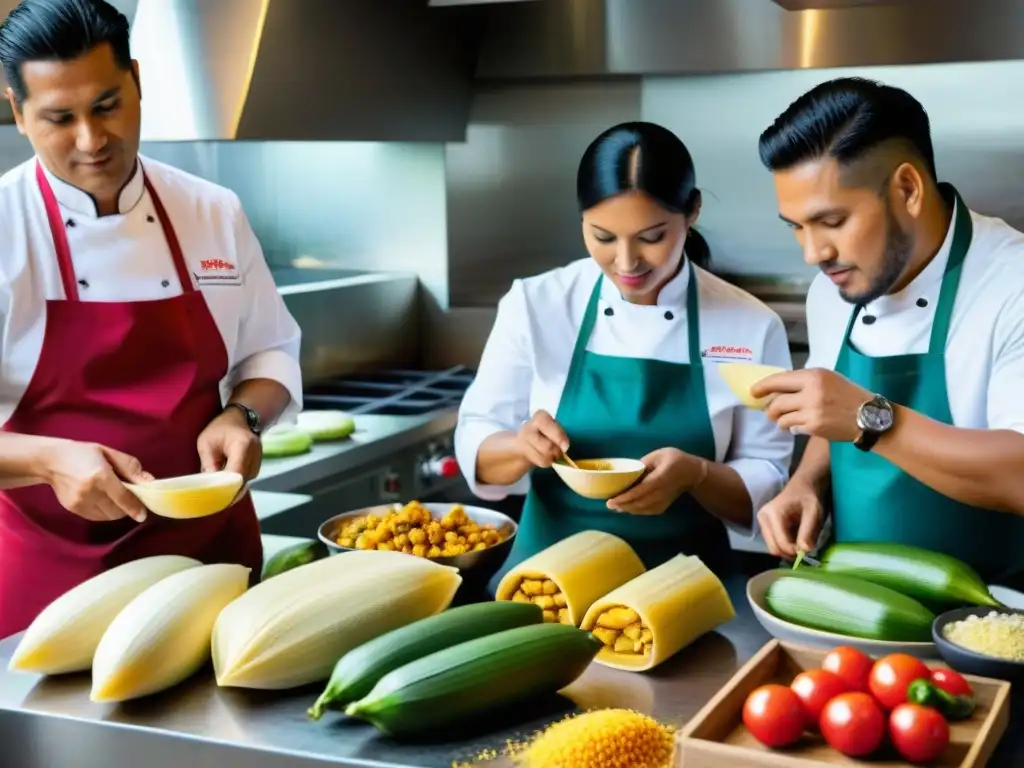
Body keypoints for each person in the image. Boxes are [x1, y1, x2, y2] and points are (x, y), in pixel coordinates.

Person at [0, 0, 302, 637]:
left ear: (136, 80)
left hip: (211, 562)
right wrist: (49, 460)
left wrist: (244, 414)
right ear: (17, 111)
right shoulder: (5, 229)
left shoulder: (211, 210)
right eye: (60, 118)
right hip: (53, 585)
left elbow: (270, 351)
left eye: (107, 105)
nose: (92, 140)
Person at [455, 121, 794, 587]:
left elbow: (766, 481)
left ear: (692, 211)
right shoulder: (537, 304)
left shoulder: (750, 326)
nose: (627, 262)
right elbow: (478, 436)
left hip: (683, 594)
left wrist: (696, 474)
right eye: (603, 237)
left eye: (652, 237)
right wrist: (520, 447)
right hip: (540, 589)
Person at [752, 77, 1024, 585]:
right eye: (796, 226)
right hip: (858, 614)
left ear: (907, 189)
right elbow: (834, 415)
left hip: (998, 621)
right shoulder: (830, 291)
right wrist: (808, 482)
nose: (813, 253)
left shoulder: (1013, 283)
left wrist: (868, 418)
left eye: (831, 221)